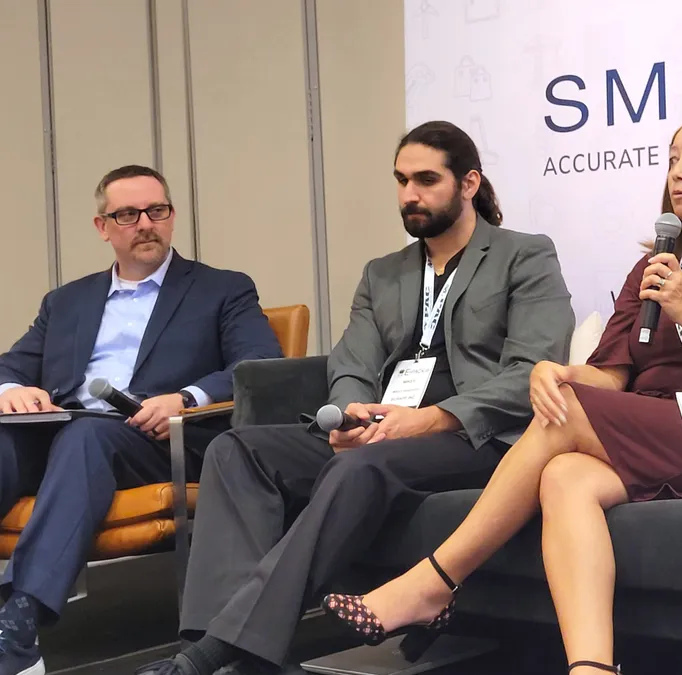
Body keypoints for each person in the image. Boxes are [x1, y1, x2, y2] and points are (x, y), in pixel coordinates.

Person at [319, 110, 682, 673]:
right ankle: (591, 667)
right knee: (565, 475)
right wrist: (554, 373)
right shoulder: (654, 268)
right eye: (673, 158)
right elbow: (610, 376)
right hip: (663, 433)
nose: (677, 172)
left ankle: (433, 581)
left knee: (567, 418)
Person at [141, 121, 574, 675]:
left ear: (469, 184)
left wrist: (431, 419)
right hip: (383, 431)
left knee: (364, 466)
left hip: (476, 436)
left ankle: (215, 655)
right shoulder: (384, 273)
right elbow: (351, 363)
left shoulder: (524, 256)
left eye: (425, 180)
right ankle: (218, 643)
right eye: (400, 181)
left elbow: (530, 371)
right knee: (237, 450)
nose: (409, 195)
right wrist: (350, 412)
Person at [0, 165, 282, 675]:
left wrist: (187, 398)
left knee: (88, 436)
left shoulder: (222, 289)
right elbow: (11, 365)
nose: (145, 223)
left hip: (155, 439)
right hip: (63, 432)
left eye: (157, 211)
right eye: (127, 214)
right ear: (102, 227)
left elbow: (258, 364)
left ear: (172, 217)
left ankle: (21, 618)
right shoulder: (66, 301)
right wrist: (14, 390)